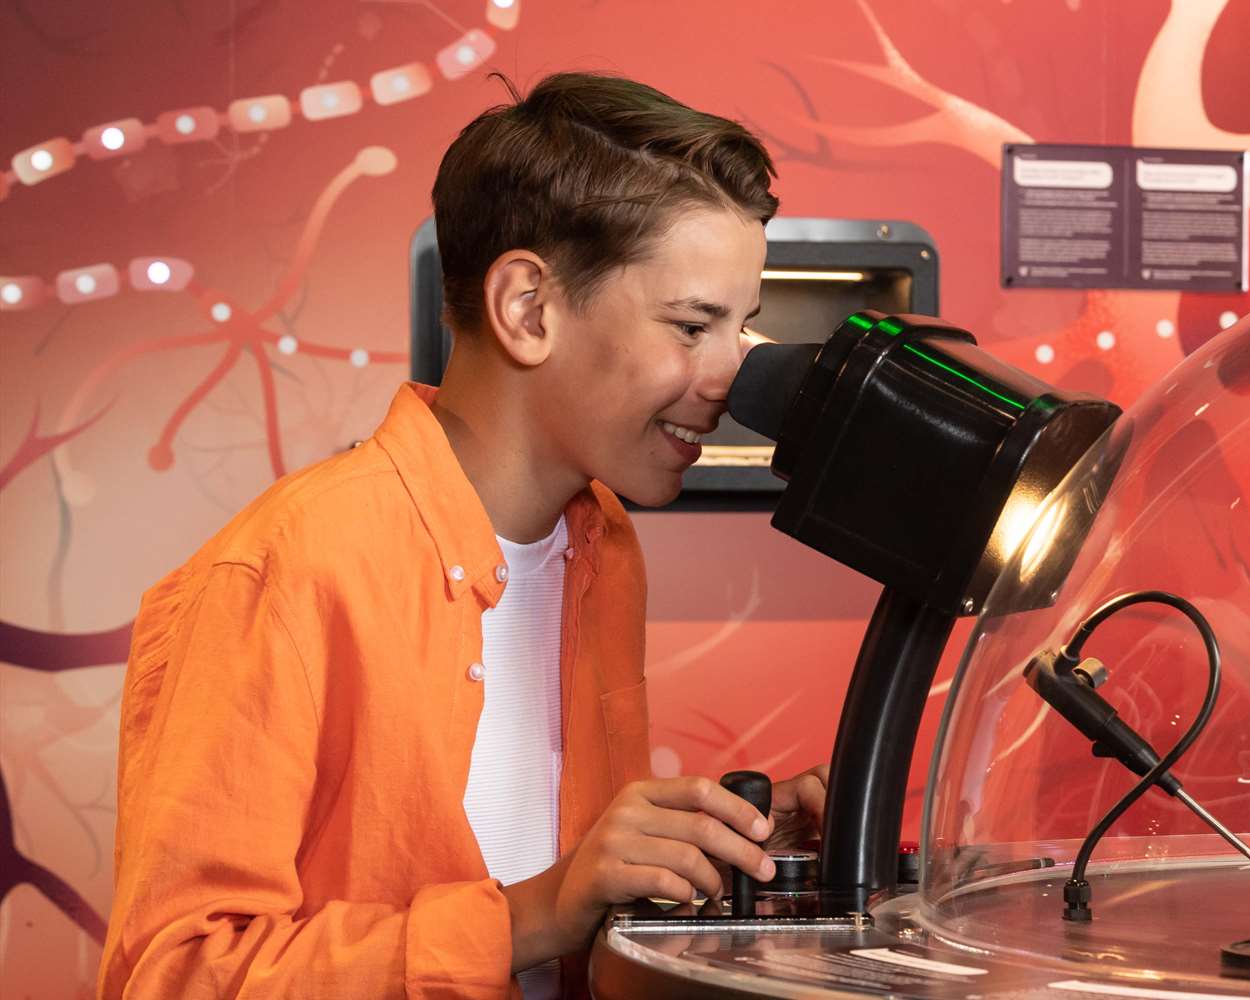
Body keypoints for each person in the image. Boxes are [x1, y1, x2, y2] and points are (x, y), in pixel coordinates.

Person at [97, 71, 825, 999]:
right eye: (692, 326)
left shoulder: (603, 548)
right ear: (528, 309)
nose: (732, 378)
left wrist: (716, 845)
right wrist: (529, 917)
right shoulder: (285, 569)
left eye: (741, 328)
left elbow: (557, 872)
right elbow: (173, 973)